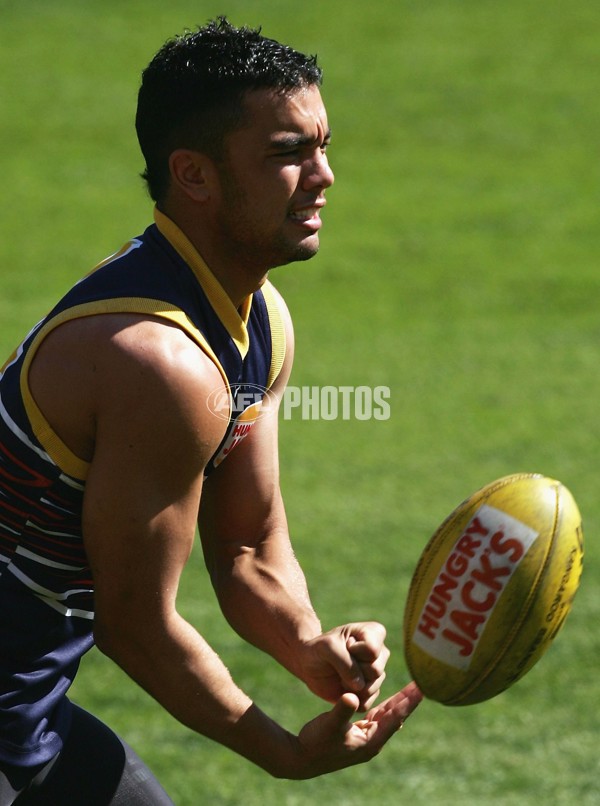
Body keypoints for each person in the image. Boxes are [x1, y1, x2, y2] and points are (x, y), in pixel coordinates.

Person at [0, 17, 422, 804]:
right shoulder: (159, 363)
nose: (324, 175)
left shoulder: (255, 319)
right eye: (288, 153)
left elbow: (249, 546)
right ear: (193, 175)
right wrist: (283, 753)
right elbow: (135, 626)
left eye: (323, 145)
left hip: (26, 707)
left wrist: (307, 642)